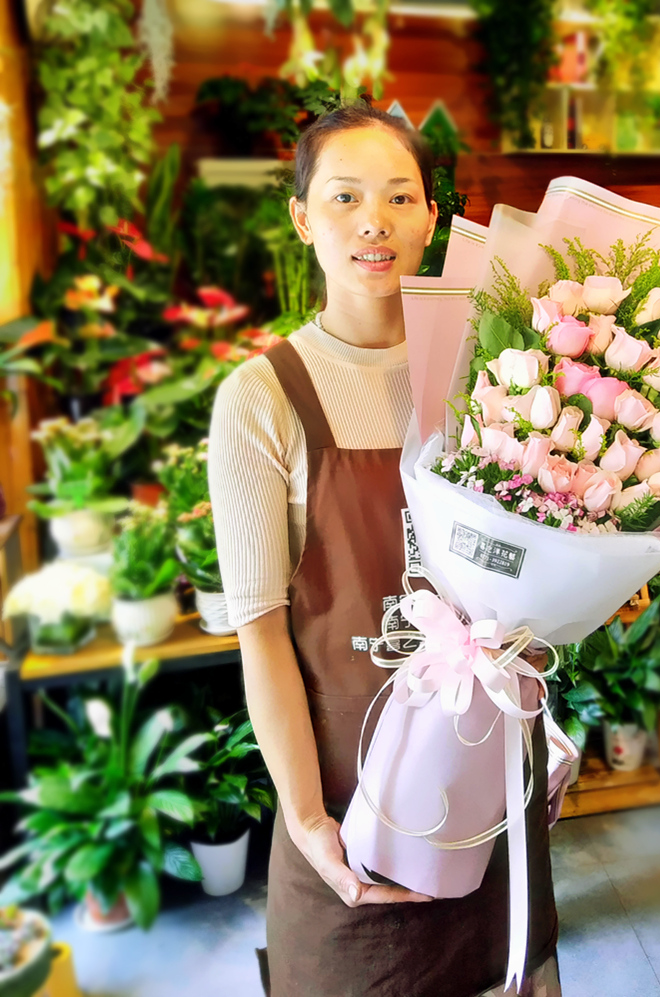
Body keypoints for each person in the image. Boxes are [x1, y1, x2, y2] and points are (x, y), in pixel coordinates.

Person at [208, 100, 560, 997]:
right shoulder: (262, 397)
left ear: (431, 218)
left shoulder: (488, 370)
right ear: (301, 218)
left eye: (400, 196)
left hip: (481, 767)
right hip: (343, 789)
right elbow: (260, 635)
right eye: (344, 197)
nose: (375, 220)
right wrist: (306, 817)